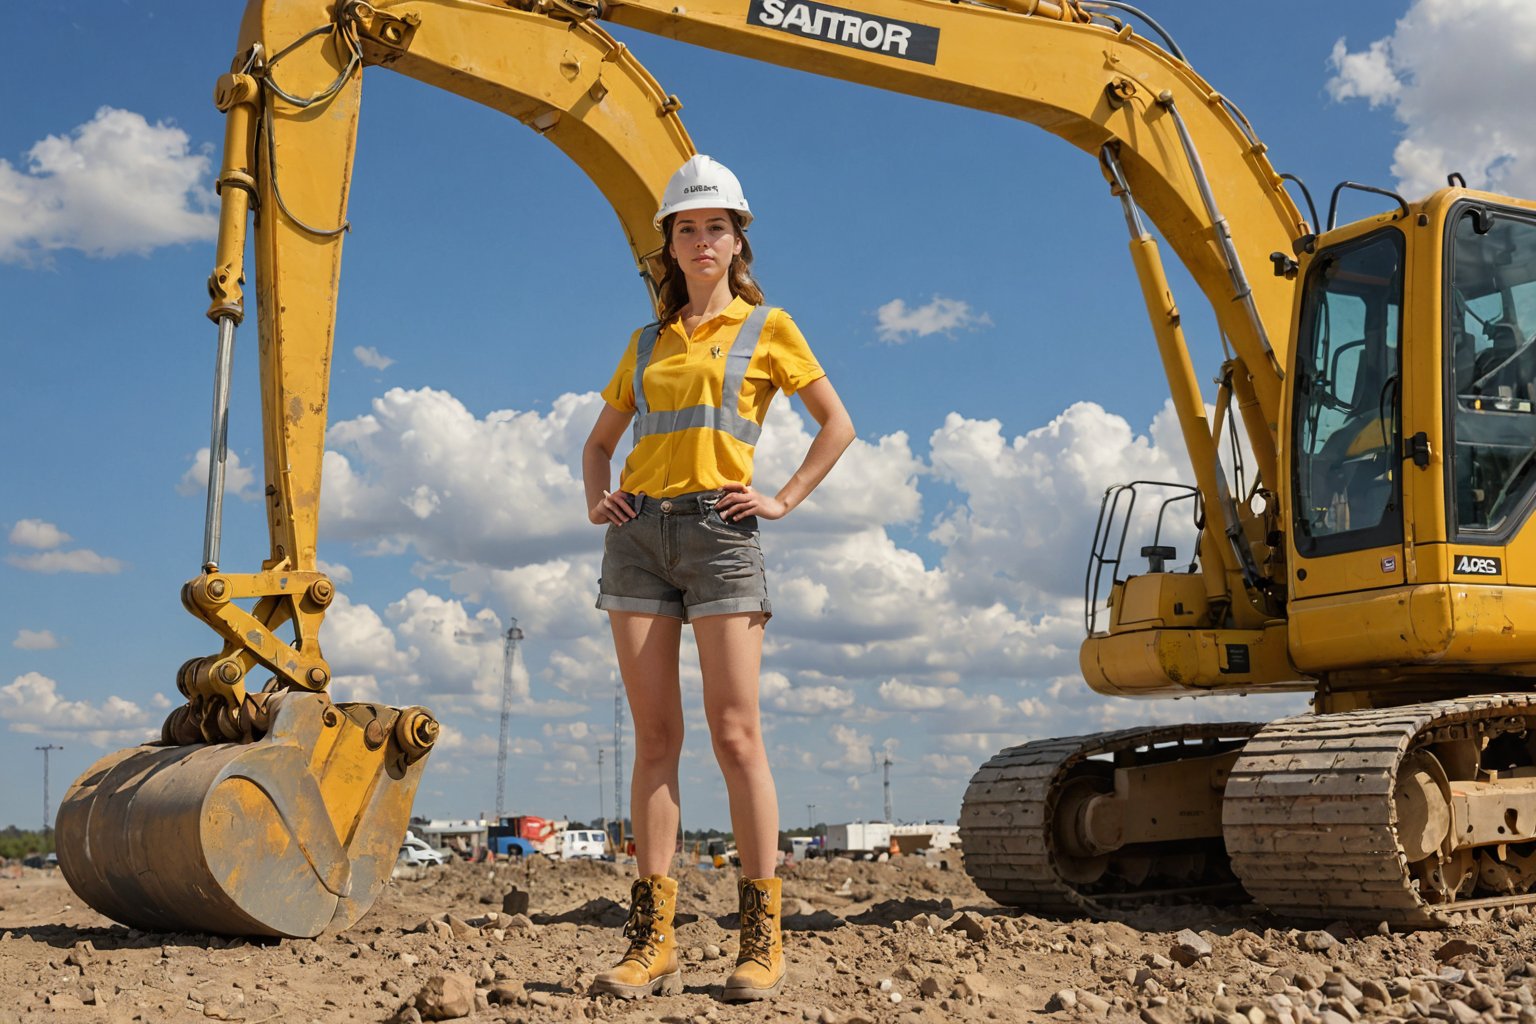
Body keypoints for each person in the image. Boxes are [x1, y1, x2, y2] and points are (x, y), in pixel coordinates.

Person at [582, 154, 855, 1002]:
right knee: (655, 741)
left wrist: (782, 498)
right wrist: (600, 498)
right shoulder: (645, 343)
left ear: (739, 241)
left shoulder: (770, 327)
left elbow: (837, 425)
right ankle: (652, 941)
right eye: (687, 228)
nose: (702, 241)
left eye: (717, 227)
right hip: (638, 540)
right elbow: (598, 444)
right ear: (668, 246)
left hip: (722, 532)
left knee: (737, 737)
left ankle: (760, 940)